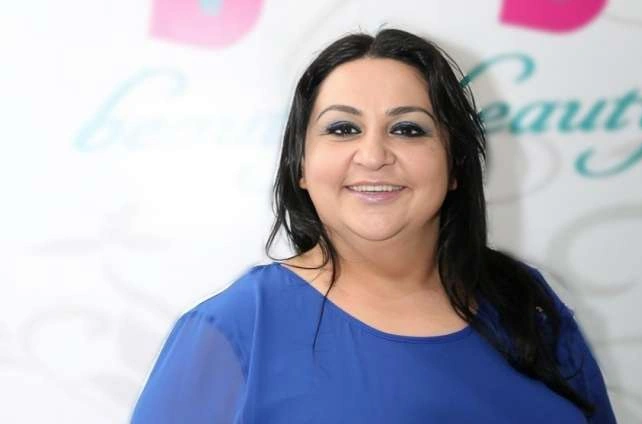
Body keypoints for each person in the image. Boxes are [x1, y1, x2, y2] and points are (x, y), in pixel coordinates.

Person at [130, 28, 616, 423]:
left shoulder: (525, 302)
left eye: (408, 129)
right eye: (343, 129)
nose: (374, 155)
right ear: (301, 166)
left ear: (456, 166)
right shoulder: (235, 328)